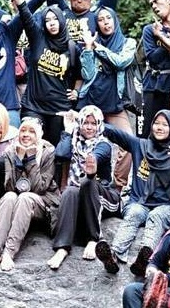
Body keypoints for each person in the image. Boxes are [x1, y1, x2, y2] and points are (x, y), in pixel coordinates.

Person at [100, 110, 170, 274]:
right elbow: (116, 133)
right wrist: (93, 121)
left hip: (167, 207)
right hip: (140, 202)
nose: (159, 127)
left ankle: (146, 258)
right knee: (134, 212)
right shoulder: (140, 145)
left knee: (156, 216)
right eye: (156, 123)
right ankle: (114, 255)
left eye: (165, 125)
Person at [0, 117, 59, 272]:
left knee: (25, 197)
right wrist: (18, 159)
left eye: (31, 131)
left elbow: (39, 188)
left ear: (39, 134)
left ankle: (9, 252)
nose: (26, 134)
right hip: (18, 202)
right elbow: (10, 187)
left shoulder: (48, 151)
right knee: (8, 197)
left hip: (44, 203)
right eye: (23, 130)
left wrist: (30, 159)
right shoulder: (10, 151)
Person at [13, 0, 81, 147]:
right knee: (28, 146)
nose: (52, 23)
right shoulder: (37, 37)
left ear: (61, 21)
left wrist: (77, 91)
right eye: (48, 20)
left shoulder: (72, 47)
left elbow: (80, 74)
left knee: (56, 151)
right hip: (33, 106)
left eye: (55, 19)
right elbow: (23, 9)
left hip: (60, 107)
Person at [48, 106, 120, 270]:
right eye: (85, 123)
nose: (89, 127)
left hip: (104, 196)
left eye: (93, 124)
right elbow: (61, 154)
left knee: (87, 182)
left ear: (99, 125)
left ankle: (93, 239)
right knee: (70, 190)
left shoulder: (104, 144)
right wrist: (68, 131)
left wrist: (91, 163)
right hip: (78, 194)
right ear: (79, 124)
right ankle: (62, 248)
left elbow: (96, 156)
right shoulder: (74, 140)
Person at [79, 7, 137, 186]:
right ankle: (81, 183)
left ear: (115, 20)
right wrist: (89, 48)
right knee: (81, 142)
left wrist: (99, 47)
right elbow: (87, 74)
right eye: (101, 20)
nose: (105, 23)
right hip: (90, 103)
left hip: (114, 104)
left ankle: (117, 186)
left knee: (129, 142)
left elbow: (121, 62)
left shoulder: (128, 42)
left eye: (108, 18)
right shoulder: (91, 42)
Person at [140, 0, 170, 138]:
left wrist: (164, 39)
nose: (154, 6)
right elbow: (153, 58)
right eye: (151, 4)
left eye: (156, 1)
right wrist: (168, 39)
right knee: (147, 132)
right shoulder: (151, 30)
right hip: (154, 85)